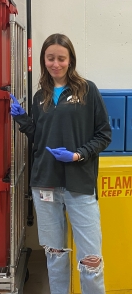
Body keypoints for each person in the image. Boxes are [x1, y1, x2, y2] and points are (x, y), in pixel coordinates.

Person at [10, 33, 111, 294]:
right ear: (44, 60)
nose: (55, 64)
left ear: (70, 60)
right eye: (50, 58)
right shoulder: (39, 96)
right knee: (55, 255)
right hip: (45, 184)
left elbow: (104, 134)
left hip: (79, 184)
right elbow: (40, 137)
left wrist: (78, 155)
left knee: (91, 259)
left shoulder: (87, 90)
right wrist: (23, 120)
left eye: (61, 58)